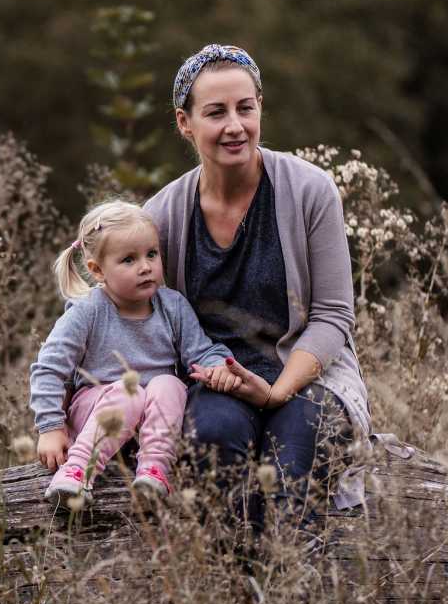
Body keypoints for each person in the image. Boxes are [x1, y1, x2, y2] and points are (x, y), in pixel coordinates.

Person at [143, 44, 371, 533]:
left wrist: (275, 393)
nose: (234, 126)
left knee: (295, 459)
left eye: (245, 108)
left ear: (260, 106)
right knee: (212, 441)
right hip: (218, 381)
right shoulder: (161, 216)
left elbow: (334, 316)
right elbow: (140, 318)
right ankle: (235, 595)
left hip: (308, 377)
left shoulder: (311, 190)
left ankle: (296, 595)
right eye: (215, 112)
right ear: (185, 123)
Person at [29, 200, 237, 507]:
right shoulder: (88, 311)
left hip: (152, 420)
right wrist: (50, 428)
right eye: (128, 260)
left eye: (151, 254)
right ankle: (77, 472)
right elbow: (49, 368)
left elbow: (201, 351)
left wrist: (217, 365)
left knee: (169, 384)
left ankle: (154, 468)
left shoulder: (172, 306)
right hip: (97, 410)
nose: (145, 267)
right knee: (129, 394)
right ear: (97, 270)